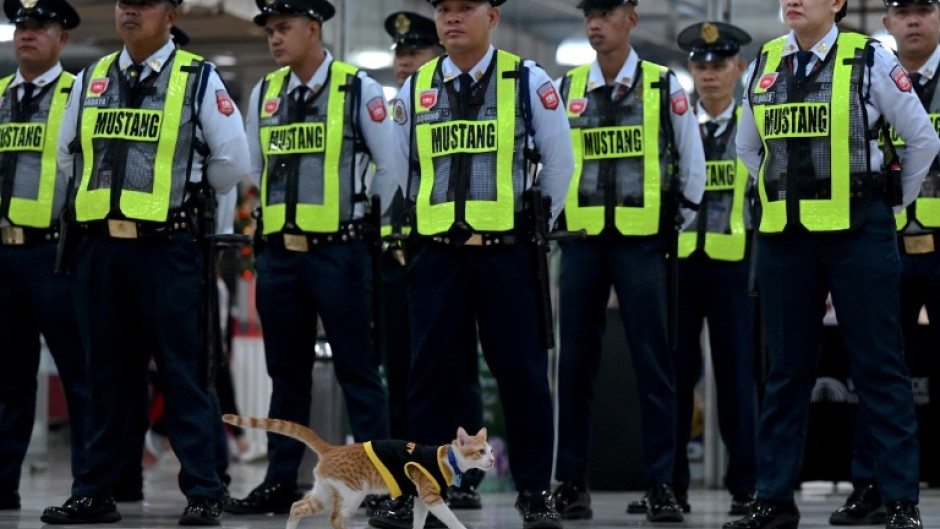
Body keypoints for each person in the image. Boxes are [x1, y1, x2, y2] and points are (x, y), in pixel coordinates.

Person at [725, 0, 939, 528]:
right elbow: (747, 149)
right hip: (784, 239)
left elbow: (921, 139)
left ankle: (899, 502)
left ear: (838, 3)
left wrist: (885, 206)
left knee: (880, 369)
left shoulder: (869, 59)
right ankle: (773, 502)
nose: (792, 1)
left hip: (857, 235)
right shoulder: (763, 63)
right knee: (785, 375)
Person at [40, 0, 251, 524]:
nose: (130, 12)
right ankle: (95, 490)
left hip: (168, 248)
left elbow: (233, 161)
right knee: (104, 374)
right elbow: (66, 155)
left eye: (144, 3)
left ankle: (203, 491)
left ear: (172, 13)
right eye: (123, 3)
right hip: (101, 249)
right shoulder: (92, 78)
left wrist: (183, 196)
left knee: (183, 371)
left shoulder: (197, 78)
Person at [372, 1, 574, 528]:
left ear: (493, 17)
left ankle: (534, 493)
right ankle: (422, 494)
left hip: (506, 253)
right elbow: (400, 166)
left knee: (523, 376)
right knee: (428, 379)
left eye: (466, 8)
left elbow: (558, 163)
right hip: (437, 254)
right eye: (444, 9)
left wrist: (530, 225)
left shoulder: (527, 82)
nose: (452, 18)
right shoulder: (417, 88)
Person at [225, 0, 395, 516]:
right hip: (281, 257)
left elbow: (389, 167)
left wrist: (362, 227)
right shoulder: (266, 92)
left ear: (314, 29)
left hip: (339, 254)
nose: (274, 39)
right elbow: (253, 168)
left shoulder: (356, 89)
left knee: (358, 373)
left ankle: (384, 487)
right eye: (270, 31)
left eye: (284, 28)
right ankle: (280, 481)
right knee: (286, 376)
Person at [551, 0, 705, 522]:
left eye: (606, 13)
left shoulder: (664, 86)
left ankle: (662, 484)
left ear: (631, 19)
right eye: (589, 14)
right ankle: (570, 482)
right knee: (573, 366)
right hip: (581, 242)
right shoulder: (567, 88)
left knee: (654, 365)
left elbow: (693, 169)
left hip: (643, 244)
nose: (595, 23)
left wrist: (669, 226)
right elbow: (547, 161)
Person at [829, 0, 940, 525]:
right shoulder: (865, 76)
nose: (914, 20)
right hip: (883, 242)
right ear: (888, 24)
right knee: (875, 369)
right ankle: (870, 486)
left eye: (925, 9)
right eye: (904, 12)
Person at [377, 9, 486, 516]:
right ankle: (406, 471)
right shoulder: (395, 108)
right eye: (400, 56)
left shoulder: (446, 101)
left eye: (415, 54)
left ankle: (459, 474)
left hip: (441, 250)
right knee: (406, 370)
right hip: (394, 258)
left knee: (456, 367)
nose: (405, 64)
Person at [0, 0, 86, 512]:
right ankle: (3, 480)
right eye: (21, 25)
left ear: (63, 39)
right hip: (4, 257)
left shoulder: (81, 95)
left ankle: (90, 484)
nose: (27, 33)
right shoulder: (0, 97)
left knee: (80, 376)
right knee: (10, 378)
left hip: (57, 255)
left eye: (40, 26)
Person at [673, 20, 758, 516]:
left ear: (739, 68)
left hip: (736, 269)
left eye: (720, 65)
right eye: (701, 65)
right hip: (681, 269)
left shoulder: (755, 123)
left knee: (737, 379)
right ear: (690, 69)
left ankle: (746, 486)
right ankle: (672, 485)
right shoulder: (675, 122)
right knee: (678, 379)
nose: (709, 74)